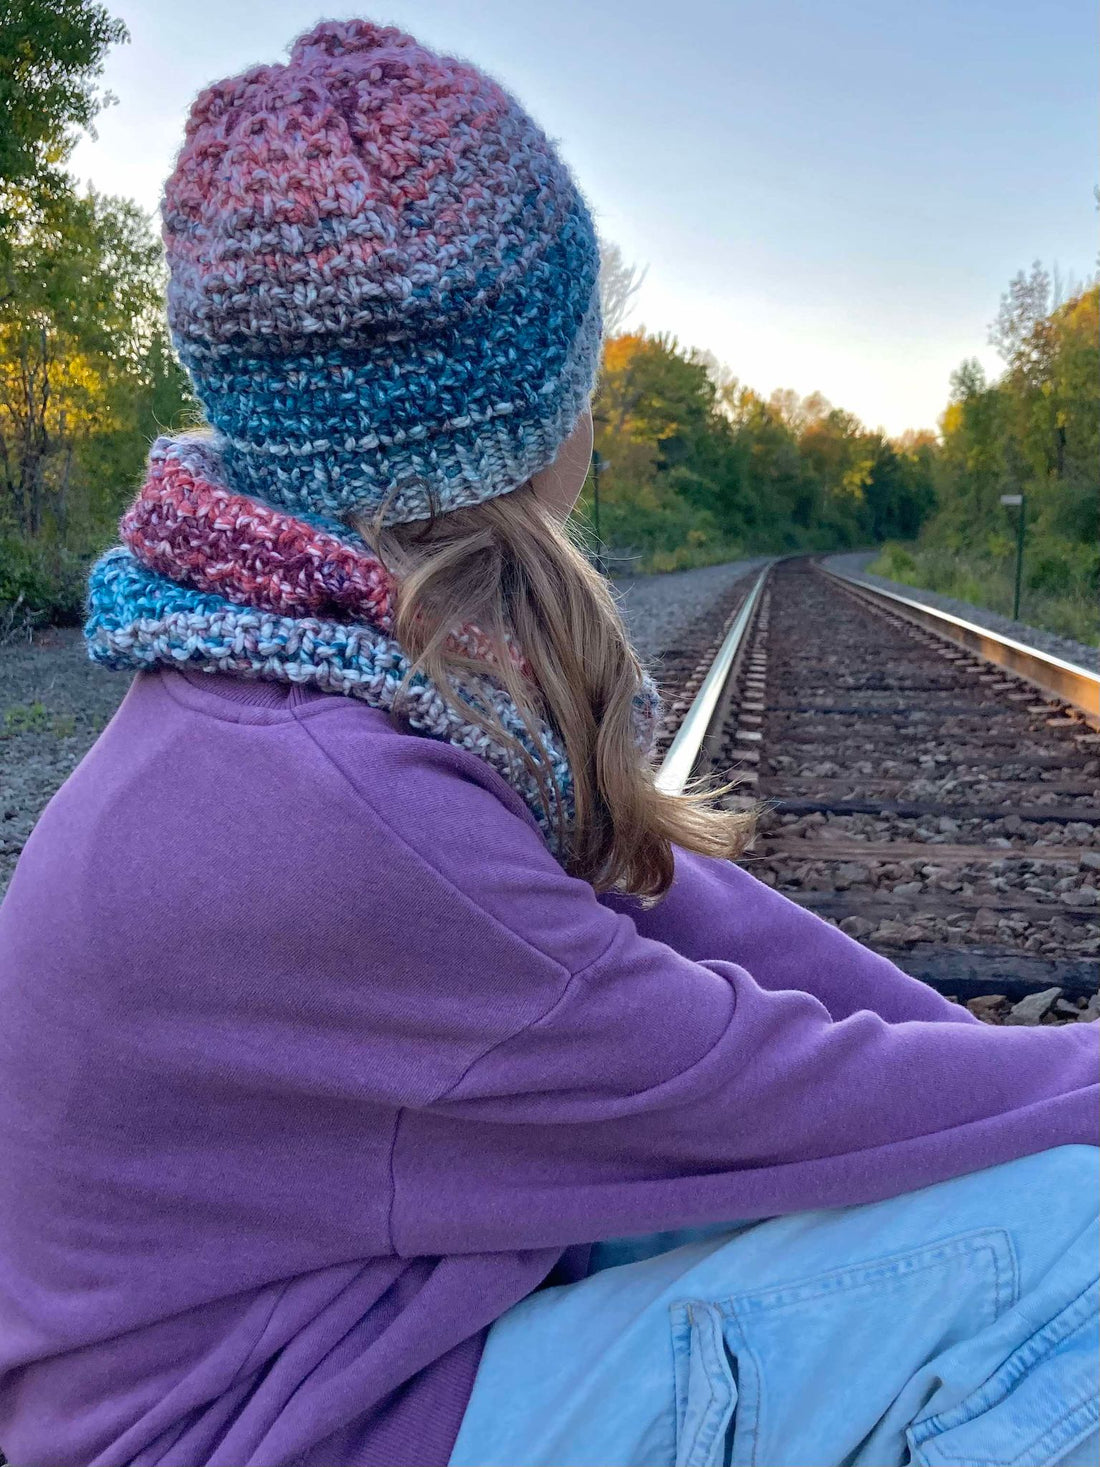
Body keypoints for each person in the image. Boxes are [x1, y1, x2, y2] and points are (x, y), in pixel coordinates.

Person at [0, 19, 1096, 1467]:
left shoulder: (312, 665)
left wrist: (1005, 1062)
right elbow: (738, 1084)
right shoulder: (338, 809)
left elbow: (675, 902)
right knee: (1074, 1244)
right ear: (538, 406)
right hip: (256, 1423)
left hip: (330, 1320)